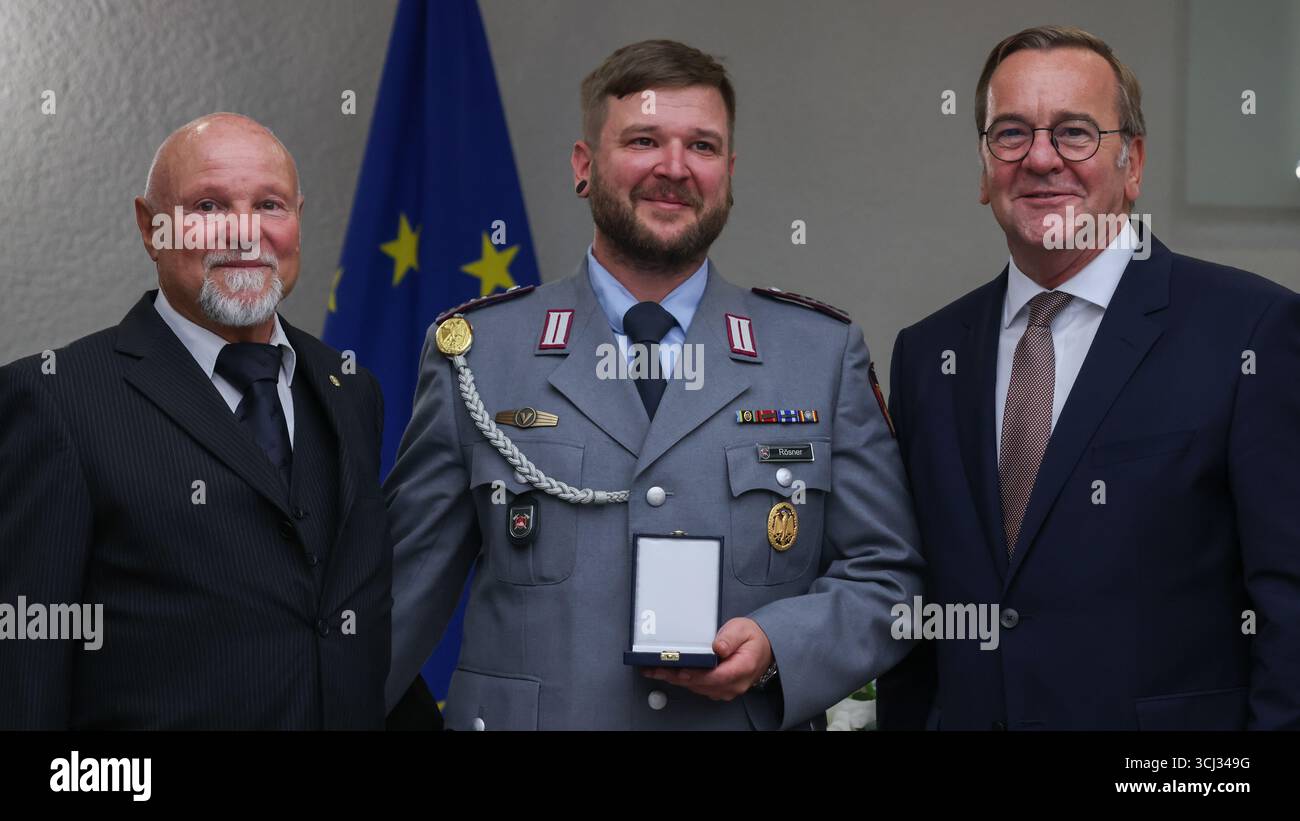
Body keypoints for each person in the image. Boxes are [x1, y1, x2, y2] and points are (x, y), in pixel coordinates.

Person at [385, 39, 923, 730]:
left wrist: (778, 647)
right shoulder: (482, 352)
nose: (673, 168)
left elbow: (889, 577)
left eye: (701, 146)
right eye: (643, 140)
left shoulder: (817, 353)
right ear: (584, 167)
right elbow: (400, 596)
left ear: (728, 172)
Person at [878, 26, 1300, 730]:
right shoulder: (927, 356)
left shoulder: (1251, 332)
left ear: (1132, 164)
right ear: (984, 170)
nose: (1041, 158)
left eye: (1075, 132)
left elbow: (1290, 607)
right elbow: (918, 615)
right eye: (1010, 133)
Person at [0, 113, 391, 729]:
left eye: (270, 204)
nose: (244, 233)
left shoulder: (351, 389)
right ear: (149, 228)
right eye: (208, 206)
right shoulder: (55, 400)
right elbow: (23, 673)